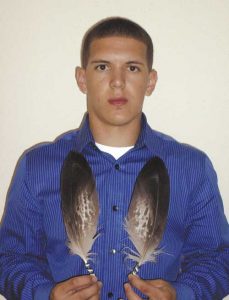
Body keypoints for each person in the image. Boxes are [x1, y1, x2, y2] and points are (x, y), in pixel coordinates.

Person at [0, 17, 228, 300]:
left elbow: (217, 259)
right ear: (82, 79)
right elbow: (10, 258)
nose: (117, 82)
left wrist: (181, 294)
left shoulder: (192, 168)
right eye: (102, 67)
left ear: (150, 81)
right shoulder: (36, 166)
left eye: (132, 68)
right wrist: (46, 295)